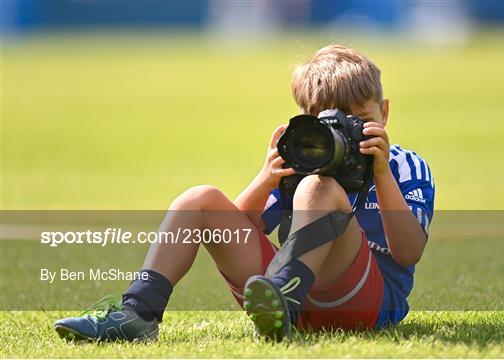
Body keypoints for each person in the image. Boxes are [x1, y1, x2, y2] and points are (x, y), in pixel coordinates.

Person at [54, 44, 435, 342]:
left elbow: (408, 252)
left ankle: (283, 296)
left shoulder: (404, 166)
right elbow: (229, 231)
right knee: (199, 200)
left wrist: (381, 175)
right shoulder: (301, 160)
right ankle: (138, 313)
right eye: (327, 124)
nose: (343, 134)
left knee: (321, 189)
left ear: (384, 113)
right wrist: (267, 178)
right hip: (296, 299)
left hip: (366, 304)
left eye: (359, 122)